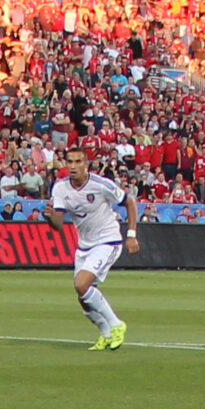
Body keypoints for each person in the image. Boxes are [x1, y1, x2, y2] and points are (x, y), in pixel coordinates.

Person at [44, 145, 135, 351]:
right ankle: (104, 333)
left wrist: (131, 234)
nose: (73, 166)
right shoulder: (60, 188)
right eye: (70, 162)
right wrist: (49, 217)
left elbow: (129, 202)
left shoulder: (100, 185)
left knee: (81, 284)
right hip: (84, 245)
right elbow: (58, 224)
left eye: (78, 162)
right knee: (83, 297)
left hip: (107, 240)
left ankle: (115, 324)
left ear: (86, 164)